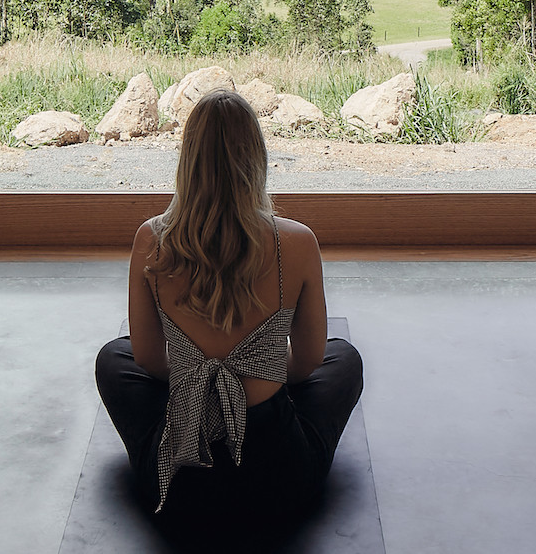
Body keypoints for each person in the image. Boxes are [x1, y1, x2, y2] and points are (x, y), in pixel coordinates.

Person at [95, 88, 363, 548]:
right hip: (280, 482)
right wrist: (251, 378)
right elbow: (306, 363)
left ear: (187, 160)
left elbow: (147, 358)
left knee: (113, 359)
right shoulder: (297, 242)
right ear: (256, 158)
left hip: (178, 486)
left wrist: (203, 381)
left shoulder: (152, 239)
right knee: (344, 360)